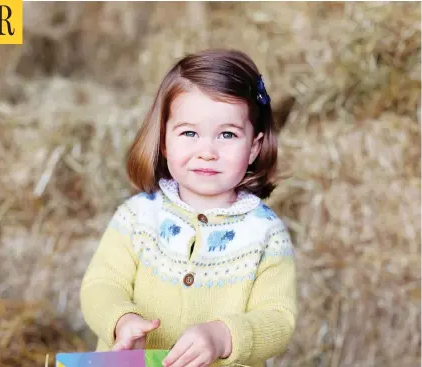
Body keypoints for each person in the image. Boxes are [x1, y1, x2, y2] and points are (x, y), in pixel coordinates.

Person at [80, 49, 297, 367]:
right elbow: (101, 284)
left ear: (253, 147)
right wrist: (120, 320)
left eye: (227, 134)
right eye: (189, 133)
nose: (207, 151)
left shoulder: (265, 234)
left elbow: (279, 318)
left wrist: (223, 336)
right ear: (165, 141)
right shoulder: (138, 217)